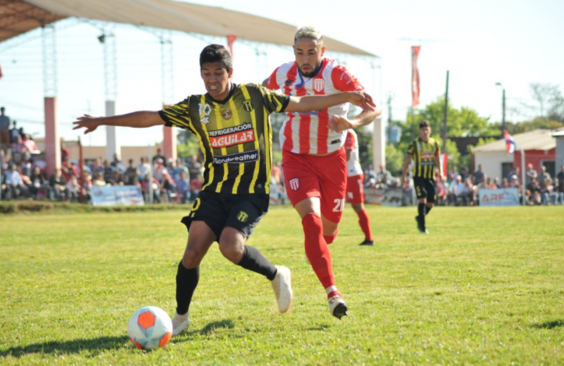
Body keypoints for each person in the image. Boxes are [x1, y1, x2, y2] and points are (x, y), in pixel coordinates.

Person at [73, 44, 374, 334]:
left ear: (230, 72)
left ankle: (276, 274)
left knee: (230, 247)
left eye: (218, 73)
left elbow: (302, 103)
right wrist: (102, 120)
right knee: (192, 253)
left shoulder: (254, 96)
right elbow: (152, 117)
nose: (212, 79)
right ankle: (180, 318)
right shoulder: (196, 107)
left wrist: (348, 96)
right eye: (206, 73)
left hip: (251, 191)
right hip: (215, 192)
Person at [264, 26, 380, 319]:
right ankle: (333, 294)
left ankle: (319, 250)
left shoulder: (336, 74)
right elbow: (259, 95)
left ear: (322, 51)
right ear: (293, 52)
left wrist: (352, 123)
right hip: (296, 158)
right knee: (311, 223)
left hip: (332, 161)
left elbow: (373, 108)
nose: (305, 58)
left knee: (327, 232)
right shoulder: (284, 73)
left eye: (311, 52)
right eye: (300, 52)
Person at [400, 120, 445, 233]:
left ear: (430, 130)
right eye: (423, 129)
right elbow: (407, 161)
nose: (425, 131)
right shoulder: (414, 144)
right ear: (419, 131)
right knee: (422, 199)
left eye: (427, 129)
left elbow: (437, 160)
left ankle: (420, 218)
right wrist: (403, 176)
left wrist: (441, 173)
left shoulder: (435, 144)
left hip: (430, 176)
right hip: (418, 176)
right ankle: (423, 227)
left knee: (431, 203)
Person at [344, 129, 374, 246]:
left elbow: (347, 154)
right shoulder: (336, 132)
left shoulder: (348, 132)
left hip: (352, 174)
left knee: (358, 206)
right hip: (341, 174)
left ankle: (369, 238)